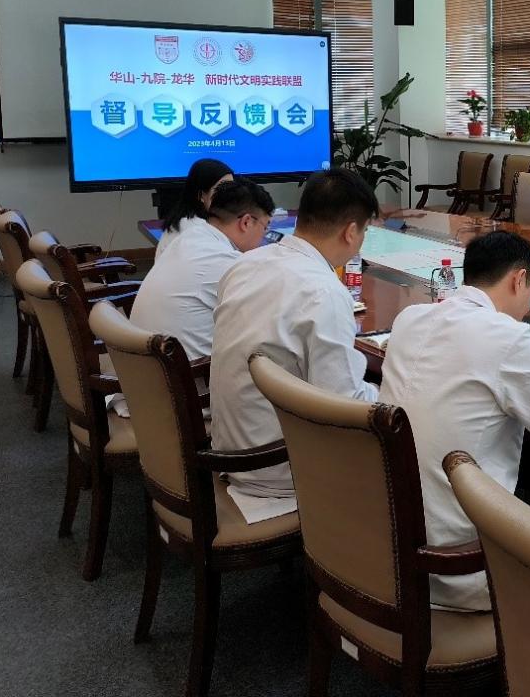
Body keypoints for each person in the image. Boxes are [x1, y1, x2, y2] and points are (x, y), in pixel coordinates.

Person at [379, 231, 530, 611]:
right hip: (462, 565)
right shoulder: (508, 338)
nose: (526, 308)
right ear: (518, 279)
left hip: (390, 548)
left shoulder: (410, 319)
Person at [210, 169, 380, 514]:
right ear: (351, 232)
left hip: (229, 447)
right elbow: (344, 407)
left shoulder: (245, 264)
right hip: (279, 466)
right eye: (364, 232)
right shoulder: (324, 292)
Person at [130, 176, 274, 362]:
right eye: (265, 227)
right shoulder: (227, 262)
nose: (264, 237)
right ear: (246, 222)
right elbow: (269, 319)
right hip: (190, 374)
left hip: (147, 367)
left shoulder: (187, 238)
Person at [156, 158, 234, 258]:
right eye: (222, 189)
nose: (230, 195)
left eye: (232, 188)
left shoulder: (182, 220)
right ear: (201, 195)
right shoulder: (196, 230)